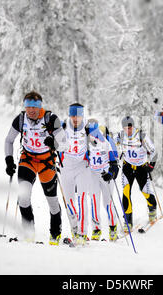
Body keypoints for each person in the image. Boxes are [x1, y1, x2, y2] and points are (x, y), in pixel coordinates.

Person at [4, 91, 68, 245]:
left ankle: (55, 234)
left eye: (35, 106)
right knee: (23, 197)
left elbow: (65, 144)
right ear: (25, 107)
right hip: (28, 160)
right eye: (28, 107)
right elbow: (9, 141)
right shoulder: (20, 119)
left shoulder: (51, 119)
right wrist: (9, 160)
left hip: (47, 163)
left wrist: (54, 142)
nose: (31, 110)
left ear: (40, 106)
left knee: (52, 201)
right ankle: (29, 232)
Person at [116, 116, 159, 232]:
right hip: (128, 167)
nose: (128, 130)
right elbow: (113, 148)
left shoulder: (141, 136)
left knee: (145, 191)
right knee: (125, 192)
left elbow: (154, 151)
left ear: (133, 126)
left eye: (130, 128)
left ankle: (152, 208)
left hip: (141, 167)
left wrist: (151, 165)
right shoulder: (120, 136)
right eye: (125, 128)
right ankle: (128, 220)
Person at [59, 103, 92, 245]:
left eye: (78, 115)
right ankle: (75, 230)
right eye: (73, 115)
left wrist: (112, 162)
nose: (75, 118)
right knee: (69, 201)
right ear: (69, 115)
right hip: (66, 166)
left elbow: (105, 143)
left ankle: (83, 234)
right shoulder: (62, 126)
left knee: (82, 198)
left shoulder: (89, 128)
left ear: (82, 115)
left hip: (82, 166)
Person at [85, 119, 120, 241]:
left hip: (105, 174)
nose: (91, 135)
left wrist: (111, 174)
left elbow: (115, 163)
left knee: (108, 202)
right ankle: (96, 229)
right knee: (94, 201)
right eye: (89, 132)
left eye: (93, 132)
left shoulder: (107, 142)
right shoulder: (86, 143)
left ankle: (112, 227)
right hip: (93, 175)